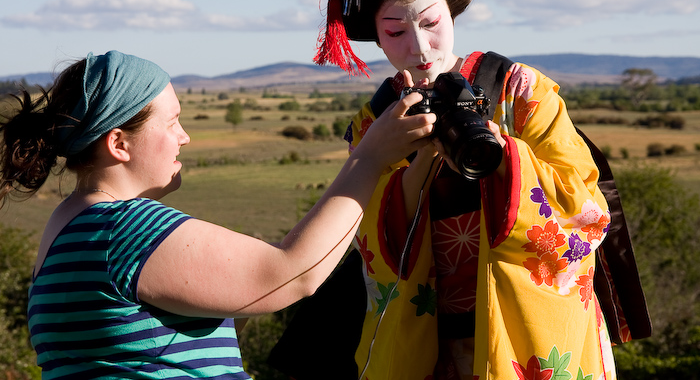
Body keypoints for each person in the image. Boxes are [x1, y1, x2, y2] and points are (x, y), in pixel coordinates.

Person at [272, 0, 620, 379]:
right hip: (426, 337)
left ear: (451, 11)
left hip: (524, 332)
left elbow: (587, 210)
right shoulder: (377, 121)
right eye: (395, 31)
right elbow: (369, 240)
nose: (420, 47)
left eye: (432, 22)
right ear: (376, 35)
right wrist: (417, 165)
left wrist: (506, 156)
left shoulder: (520, 92)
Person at [0, 50, 436, 379]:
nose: (184, 137)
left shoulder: (67, 225)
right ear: (119, 144)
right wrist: (371, 156)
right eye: (171, 123)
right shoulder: (122, 230)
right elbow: (294, 275)